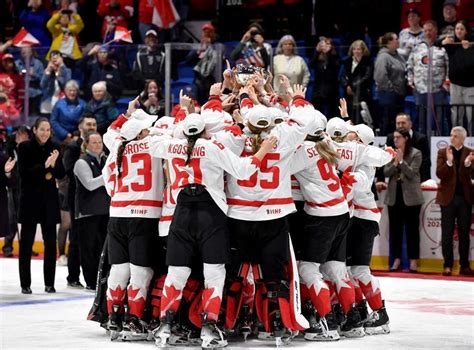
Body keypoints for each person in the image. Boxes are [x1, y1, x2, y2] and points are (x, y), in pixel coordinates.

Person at [152, 112, 277, 348]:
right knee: (214, 273)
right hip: (211, 214)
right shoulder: (211, 147)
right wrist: (264, 150)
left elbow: (149, 141)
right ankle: (209, 329)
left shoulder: (171, 146)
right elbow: (242, 170)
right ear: (204, 131)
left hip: (181, 214)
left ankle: (164, 327)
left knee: (176, 273)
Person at [17, 117, 65, 294]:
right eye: (42, 129)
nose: (46, 133)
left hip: (49, 202)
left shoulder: (55, 147)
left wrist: (53, 166)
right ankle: (25, 283)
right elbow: (24, 173)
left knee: (50, 244)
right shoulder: (25, 147)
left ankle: (49, 283)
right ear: (35, 130)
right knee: (26, 244)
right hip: (30, 201)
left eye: (48, 129)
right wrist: (44, 167)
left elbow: (61, 173)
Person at [63, 114, 97, 289]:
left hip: (96, 201)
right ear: (80, 127)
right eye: (88, 124)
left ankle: (93, 276)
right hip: (77, 199)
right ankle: (73, 276)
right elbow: (69, 171)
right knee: (76, 238)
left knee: (93, 239)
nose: (91, 126)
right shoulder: (73, 147)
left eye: (94, 123)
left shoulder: (100, 145)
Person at [383, 128, 424, 273]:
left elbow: (412, 173)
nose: (395, 140)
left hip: (411, 198)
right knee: (395, 231)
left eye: (398, 137)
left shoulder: (416, 153)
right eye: (394, 137)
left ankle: (413, 261)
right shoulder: (391, 153)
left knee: (412, 231)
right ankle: (396, 260)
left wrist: (401, 161)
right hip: (394, 197)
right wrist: (394, 163)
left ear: (406, 138)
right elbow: (385, 172)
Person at [435, 126, 474, 276]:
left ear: (463, 138)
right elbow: (440, 173)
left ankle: (464, 265)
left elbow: (469, 176)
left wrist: (467, 164)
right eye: (451, 135)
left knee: (464, 233)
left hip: (464, 198)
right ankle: (447, 265)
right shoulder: (442, 152)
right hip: (447, 199)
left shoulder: (470, 153)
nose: (452, 138)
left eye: (455, 136)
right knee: (447, 233)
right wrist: (449, 162)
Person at [73, 130, 109, 289]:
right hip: (88, 212)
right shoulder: (82, 162)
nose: (98, 145)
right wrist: (108, 175)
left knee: (102, 248)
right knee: (88, 249)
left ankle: (102, 280)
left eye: (99, 142)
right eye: (94, 142)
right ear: (86, 144)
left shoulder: (105, 160)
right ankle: (90, 281)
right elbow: (90, 184)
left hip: (105, 211)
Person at [407, 20, 449, 135]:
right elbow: (409, 65)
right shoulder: (417, 48)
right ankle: (424, 146)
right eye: (425, 30)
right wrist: (411, 82)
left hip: (438, 90)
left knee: (441, 120)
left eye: (430, 30)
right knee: (421, 121)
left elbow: (448, 65)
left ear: (435, 31)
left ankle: (442, 145)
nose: (428, 33)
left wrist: (446, 83)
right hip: (420, 90)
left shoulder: (442, 47)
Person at [2, 126, 32, 258]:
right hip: (13, 187)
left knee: (28, 219)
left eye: (23, 134)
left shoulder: (31, 149)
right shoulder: (10, 149)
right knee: (12, 217)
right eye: (18, 134)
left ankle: (27, 247)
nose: (19, 136)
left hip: (27, 187)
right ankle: (8, 246)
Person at [442, 20, 474, 134]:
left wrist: (468, 49)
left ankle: (472, 136)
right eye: (457, 29)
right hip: (455, 84)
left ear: (466, 31)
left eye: (461, 29)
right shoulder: (452, 45)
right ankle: (456, 135)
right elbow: (437, 43)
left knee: (471, 114)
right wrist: (444, 41)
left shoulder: (471, 44)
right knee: (456, 113)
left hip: (470, 86)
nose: (459, 31)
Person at [374, 32, 406, 135]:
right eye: (395, 39)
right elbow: (380, 76)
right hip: (387, 96)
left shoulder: (399, 56)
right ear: (388, 42)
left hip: (399, 95)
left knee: (395, 122)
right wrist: (392, 89)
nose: (398, 41)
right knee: (388, 121)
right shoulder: (383, 57)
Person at [383, 113, 431, 182]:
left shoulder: (420, 139)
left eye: (403, 123)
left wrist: (425, 181)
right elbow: (384, 159)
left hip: (415, 180)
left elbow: (425, 162)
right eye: (398, 123)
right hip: (395, 182)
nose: (400, 126)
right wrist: (380, 179)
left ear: (410, 124)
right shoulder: (391, 138)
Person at [186, 23, 219, 105]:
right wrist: (199, 50)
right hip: (199, 80)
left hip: (212, 79)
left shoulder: (217, 46)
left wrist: (210, 45)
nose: (206, 34)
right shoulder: (199, 46)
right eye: (205, 32)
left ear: (213, 34)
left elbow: (219, 60)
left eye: (209, 32)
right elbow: (188, 60)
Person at [341, 40, 373, 124]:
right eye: (354, 49)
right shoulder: (347, 61)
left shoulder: (368, 61)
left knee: (361, 117)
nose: (356, 51)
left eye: (359, 49)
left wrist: (352, 87)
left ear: (363, 50)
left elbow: (367, 77)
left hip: (362, 92)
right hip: (349, 94)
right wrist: (346, 85)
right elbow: (343, 76)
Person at [310, 36, 340, 119]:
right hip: (319, 89)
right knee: (318, 113)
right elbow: (311, 65)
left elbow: (336, 66)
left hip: (332, 90)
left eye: (327, 44)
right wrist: (316, 52)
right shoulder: (317, 57)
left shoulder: (334, 55)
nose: (324, 46)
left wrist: (329, 53)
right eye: (323, 44)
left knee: (332, 113)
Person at [15, 46, 45, 117]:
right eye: (23, 52)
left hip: (35, 95)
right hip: (21, 95)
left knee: (34, 117)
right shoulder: (16, 64)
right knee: (21, 117)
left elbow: (43, 80)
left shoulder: (38, 64)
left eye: (27, 52)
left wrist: (33, 74)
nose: (25, 54)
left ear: (31, 52)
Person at [40, 51, 71, 116]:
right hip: (48, 102)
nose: (54, 59)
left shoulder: (66, 71)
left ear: (61, 59)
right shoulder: (47, 71)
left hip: (62, 101)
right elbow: (42, 85)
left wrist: (60, 70)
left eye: (57, 57)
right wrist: (48, 71)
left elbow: (66, 85)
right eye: (52, 57)